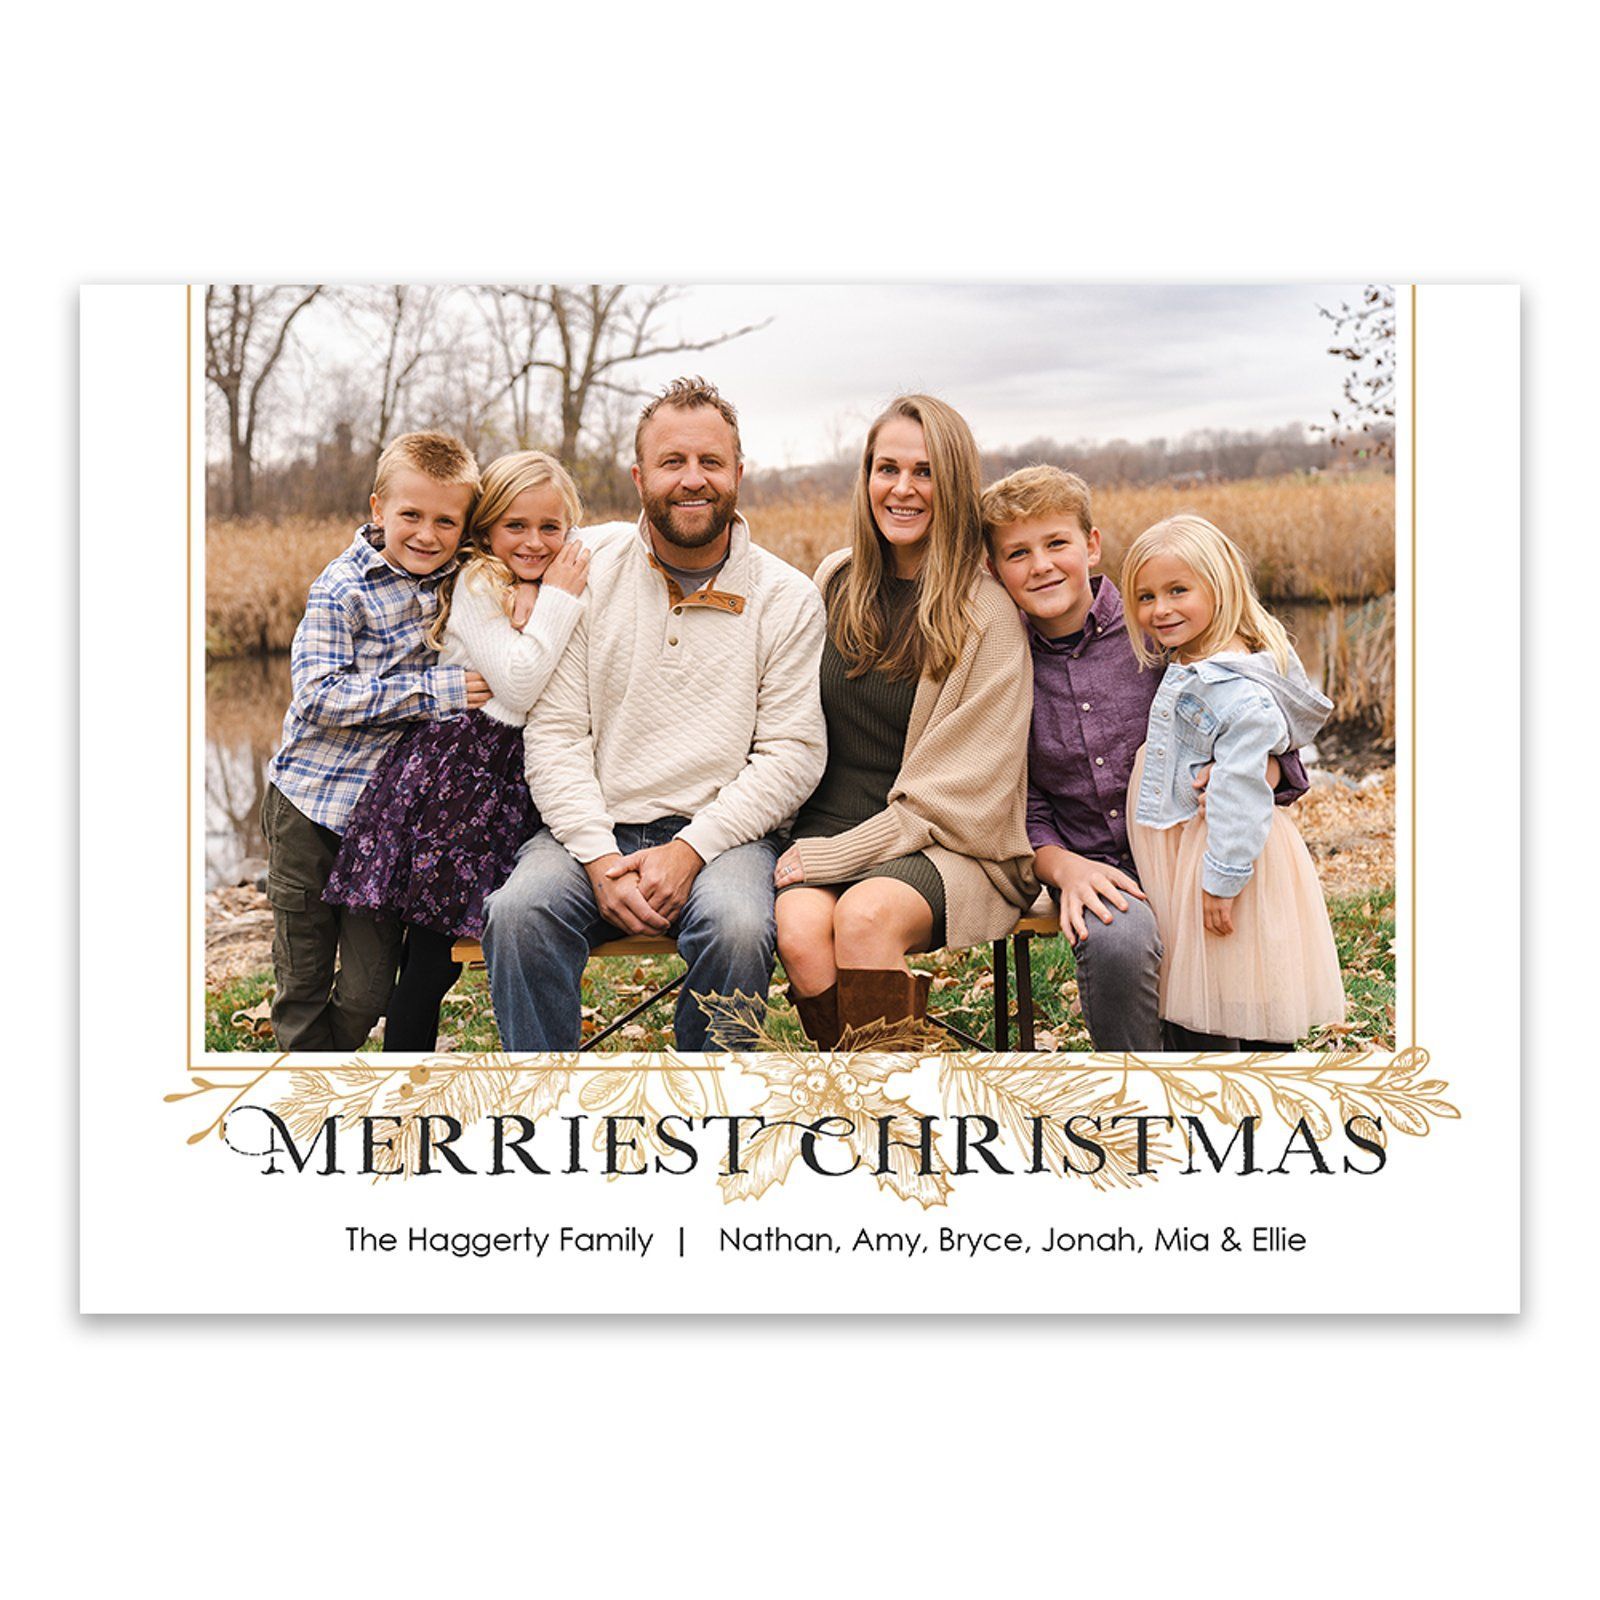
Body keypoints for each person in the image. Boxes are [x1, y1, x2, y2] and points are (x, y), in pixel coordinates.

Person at [483, 377, 827, 1052]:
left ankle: (704, 1121)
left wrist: (689, 850)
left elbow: (793, 754)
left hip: (724, 840)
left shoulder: (786, 598)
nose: (691, 480)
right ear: (639, 476)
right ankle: (545, 1113)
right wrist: (598, 860)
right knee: (519, 913)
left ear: (739, 474)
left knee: (736, 927)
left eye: (710, 463)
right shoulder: (582, 568)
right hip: (591, 830)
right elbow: (555, 736)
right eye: (672, 462)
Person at [982, 465, 1308, 1052]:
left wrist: (1269, 768)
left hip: (1194, 853)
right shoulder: (1001, 661)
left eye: (1057, 543)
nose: (1041, 565)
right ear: (993, 568)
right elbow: (1019, 800)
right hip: (1099, 866)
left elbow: (1259, 719)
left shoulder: (1159, 626)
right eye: (1017, 553)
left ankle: (1245, 1103)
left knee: (1228, 1018)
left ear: (1092, 544)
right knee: (1120, 941)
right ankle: (1140, 1106)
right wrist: (1063, 869)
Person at [773, 395, 1034, 1048]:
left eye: (925, 472)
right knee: (802, 935)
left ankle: (896, 1123)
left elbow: (963, 789)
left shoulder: (986, 615)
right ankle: (873, 1098)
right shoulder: (836, 579)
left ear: (953, 485)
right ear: (866, 478)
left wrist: (838, 856)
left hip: (946, 842)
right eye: (887, 468)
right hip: (831, 821)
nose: (903, 489)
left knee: (865, 917)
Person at [322, 451, 592, 1051]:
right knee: (431, 959)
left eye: (551, 528)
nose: (533, 541)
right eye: (515, 526)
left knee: (445, 957)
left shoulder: (536, 581)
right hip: (459, 780)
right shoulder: (477, 582)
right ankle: (401, 1088)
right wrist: (556, 601)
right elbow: (519, 686)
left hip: (509, 781)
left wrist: (543, 593)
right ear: (487, 528)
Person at [261, 431, 490, 1051]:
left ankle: (330, 1063)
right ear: (377, 510)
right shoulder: (342, 589)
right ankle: (312, 1094)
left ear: (466, 528)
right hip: (308, 807)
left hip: (382, 824)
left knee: (367, 992)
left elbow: (542, 539)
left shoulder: (463, 580)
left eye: (447, 521)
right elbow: (319, 695)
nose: (427, 534)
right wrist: (434, 691)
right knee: (304, 971)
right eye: (410, 515)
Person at [1121, 513, 1345, 1049]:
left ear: (1218, 587)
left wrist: (1220, 879)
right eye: (1146, 597)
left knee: (1232, 981)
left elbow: (1241, 786)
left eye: (1178, 590)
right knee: (1215, 978)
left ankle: (1246, 1094)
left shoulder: (1231, 684)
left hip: (1221, 852)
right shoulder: (1193, 659)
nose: (1161, 609)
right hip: (1189, 849)